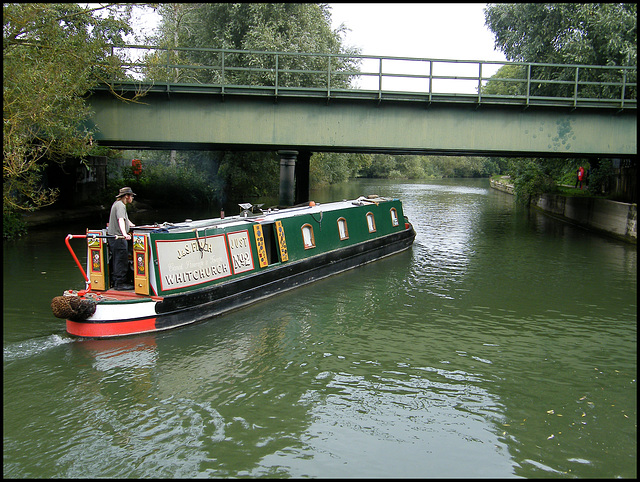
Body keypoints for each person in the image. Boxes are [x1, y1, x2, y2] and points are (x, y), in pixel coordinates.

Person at [108, 187, 136, 290]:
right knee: (121, 260)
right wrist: (124, 234)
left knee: (117, 259)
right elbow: (120, 220)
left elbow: (126, 220)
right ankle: (120, 283)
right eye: (131, 196)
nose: (132, 198)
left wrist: (134, 226)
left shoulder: (117, 204)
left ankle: (117, 281)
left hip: (115, 237)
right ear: (126, 196)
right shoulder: (120, 206)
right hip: (118, 237)